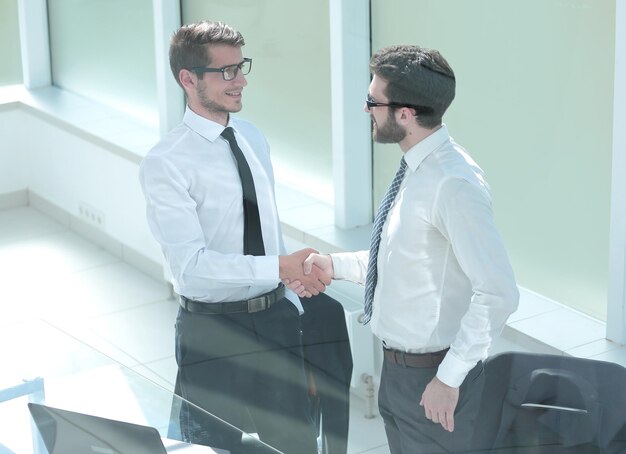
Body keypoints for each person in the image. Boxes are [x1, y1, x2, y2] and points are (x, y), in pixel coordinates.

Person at [289, 44, 520, 453]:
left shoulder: (453, 184)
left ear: (405, 114)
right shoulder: (415, 169)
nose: (367, 110)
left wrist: (449, 380)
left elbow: (499, 292)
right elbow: (399, 261)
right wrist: (332, 264)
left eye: (372, 101)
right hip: (397, 375)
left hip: (435, 380)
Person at [139, 20, 329, 454]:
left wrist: (291, 283)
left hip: (275, 322)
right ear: (188, 79)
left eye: (240, 66)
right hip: (211, 331)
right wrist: (277, 267)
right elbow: (191, 268)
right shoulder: (166, 163)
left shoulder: (252, 138)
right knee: (209, 449)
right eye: (225, 71)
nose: (240, 80)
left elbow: (266, 231)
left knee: (297, 446)